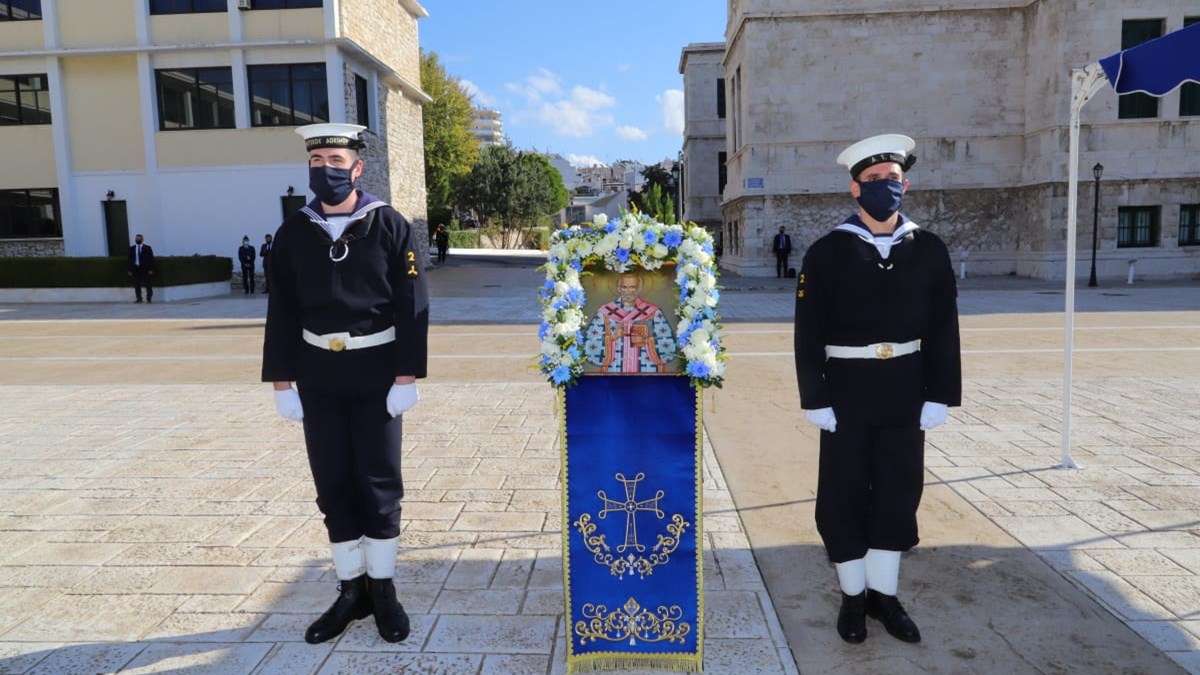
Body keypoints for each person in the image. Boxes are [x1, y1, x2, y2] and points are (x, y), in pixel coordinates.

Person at [262, 122, 429, 645]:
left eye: (336, 161)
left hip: (377, 369)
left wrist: (407, 374)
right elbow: (281, 309)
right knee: (333, 484)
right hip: (318, 374)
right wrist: (281, 381)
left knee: (379, 484)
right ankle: (350, 590)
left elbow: (413, 304)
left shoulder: (388, 225)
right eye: (317, 162)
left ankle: (383, 591)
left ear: (358, 168)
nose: (326, 170)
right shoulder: (294, 231)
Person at [793, 134, 961, 646]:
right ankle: (851, 597)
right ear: (854, 190)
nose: (885, 188)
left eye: (893, 180)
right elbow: (807, 330)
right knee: (843, 492)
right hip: (846, 390)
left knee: (897, 490)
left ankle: (884, 597)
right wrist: (815, 397)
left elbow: (943, 325)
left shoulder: (929, 249)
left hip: (905, 389)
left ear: (905, 185)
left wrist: (941, 393)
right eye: (874, 181)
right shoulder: (826, 253)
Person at [583, 272, 677, 373]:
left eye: (632, 287)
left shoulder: (653, 312)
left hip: (646, 371)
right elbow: (590, 343)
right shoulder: (605, 312)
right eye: (624, 287)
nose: (628, 291)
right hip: (614, 370)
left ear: (639, 288)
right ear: (619, 288)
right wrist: (614, 337)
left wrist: (646, 341)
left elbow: (668, 343)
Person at [127, 234, 154, 303]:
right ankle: (139, 298)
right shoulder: (132, 248)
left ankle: (149, 298)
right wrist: (130, 269)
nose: (138, 240)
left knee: (148, 285)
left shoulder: (147, 248)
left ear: (142, 239)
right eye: (137, 238)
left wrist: (151, 269)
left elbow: (151, 259)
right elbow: (129, 259)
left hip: (145, 269)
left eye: (139, 238)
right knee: (137, 285)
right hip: (136, 269)